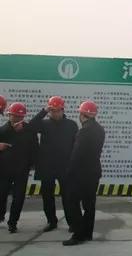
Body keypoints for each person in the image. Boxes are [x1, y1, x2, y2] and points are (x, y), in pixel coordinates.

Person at [29, 96, 79, 232]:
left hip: (65, 166)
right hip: (47, 166)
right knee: (47, 196)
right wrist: (44, 111)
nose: (55, 113)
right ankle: (51, 221)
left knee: (68, 196)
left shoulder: (71, 125)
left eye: (58, 110)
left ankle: (72, 223)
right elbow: (30, 127)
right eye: (52, 111)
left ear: (63, 110)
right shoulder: (44, 124)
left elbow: (76, 145)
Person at [62, 100, 105, 246]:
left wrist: (69, 172)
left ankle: (78, 234)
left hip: (80, 175)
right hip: (94, 172)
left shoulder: (83, 131)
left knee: (72, 202)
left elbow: (77, 155)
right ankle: (87, 233)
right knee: (89, 205)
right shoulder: (100, 129)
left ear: (82, 115)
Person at [0, 102, 39, 233]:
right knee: (1, 195)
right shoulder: (3, 130)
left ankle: (13, 222)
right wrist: (12, 129)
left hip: (22, 170)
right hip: (4, 170)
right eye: (15, 116)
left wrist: (33, 163)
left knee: (18, 197)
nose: (17, 119)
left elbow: (35, 148)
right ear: (9, 115)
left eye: (20, 117)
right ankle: (0, 215)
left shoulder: (29, 130)